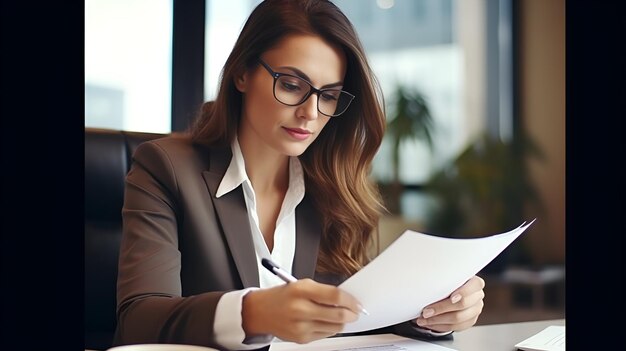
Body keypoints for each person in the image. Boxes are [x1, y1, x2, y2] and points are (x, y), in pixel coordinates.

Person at [113, 0, 485, 350]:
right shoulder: (164, 168)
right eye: (292, 85)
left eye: (328, 95)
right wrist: (254, 313)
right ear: (242, 72)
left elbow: (358, 311)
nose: (310, 112)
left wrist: (438, 312)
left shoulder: (334, 187)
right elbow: (138, 320)